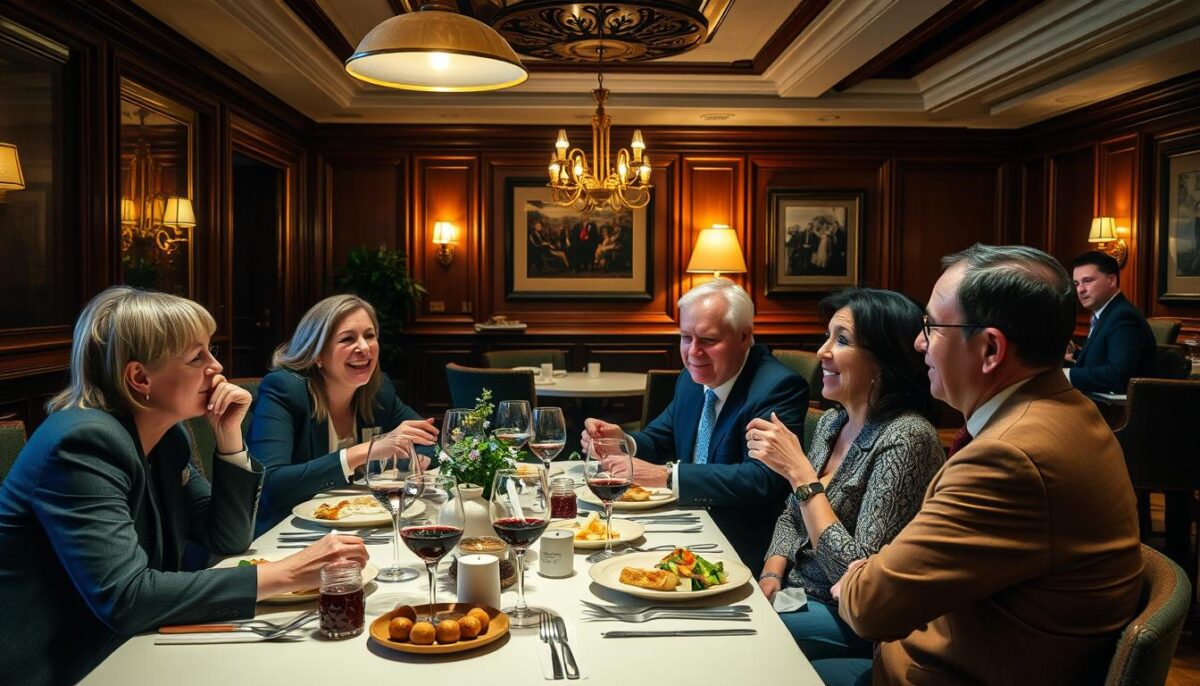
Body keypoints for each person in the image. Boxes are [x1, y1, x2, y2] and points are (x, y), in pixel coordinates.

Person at [0, 286, 368, 685]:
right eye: (198, 357)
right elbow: (127, 598)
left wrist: (230, 438)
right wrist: (287, 573)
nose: (217, 367)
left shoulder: (167, 438)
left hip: (133, 645)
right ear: (139, 377)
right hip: (67, 666)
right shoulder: (83, 444)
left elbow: (225, 538)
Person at [829, 244, 1143, 686]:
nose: (919, 342)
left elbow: (869, 607)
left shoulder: (1008, 458)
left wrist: (862, 575)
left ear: (990, 348)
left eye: (931, 327)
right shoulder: (1067, 408)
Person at [745, 288, 943, 677]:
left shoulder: (906, 437)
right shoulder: (835, 422)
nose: (823, 352)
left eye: (842, 340)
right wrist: (770, 574)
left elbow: (857, 575)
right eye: (827, 336)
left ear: (884, 358)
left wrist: (802, 476)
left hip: (848, 613)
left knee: (744, 638)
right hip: (796, 591)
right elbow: (791, 516)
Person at [581, 278, 808, 566]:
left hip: (739, 546)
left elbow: (761, 480)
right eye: (686, 337)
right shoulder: (691, 378)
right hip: (685, 526)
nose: (693, 353)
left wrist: (665, 476)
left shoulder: (778, 386)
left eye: (709, 340)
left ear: (744, 336)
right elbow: (662, 437)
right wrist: (622, 442)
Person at [247, 294, 437, 533]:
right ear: (317, 354)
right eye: (348, 339)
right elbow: (270, 487)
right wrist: (364, 452)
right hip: (288, 531)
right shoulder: (284, 390)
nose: (364, 347)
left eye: (369, 336)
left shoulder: (378, 391)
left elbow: (429, 442)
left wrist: (414, 461)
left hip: (360, 525)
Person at [1065, 250, 1157, 393]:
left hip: (1116, 412)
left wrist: (1065, 375)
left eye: (1088, 281)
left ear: (1112, 280)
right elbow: (1104, 357)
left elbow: (1119, 376)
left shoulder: (1123, 316)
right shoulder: (1105, 313)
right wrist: (1075, 356)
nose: (1080, 290)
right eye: (1076, 283)